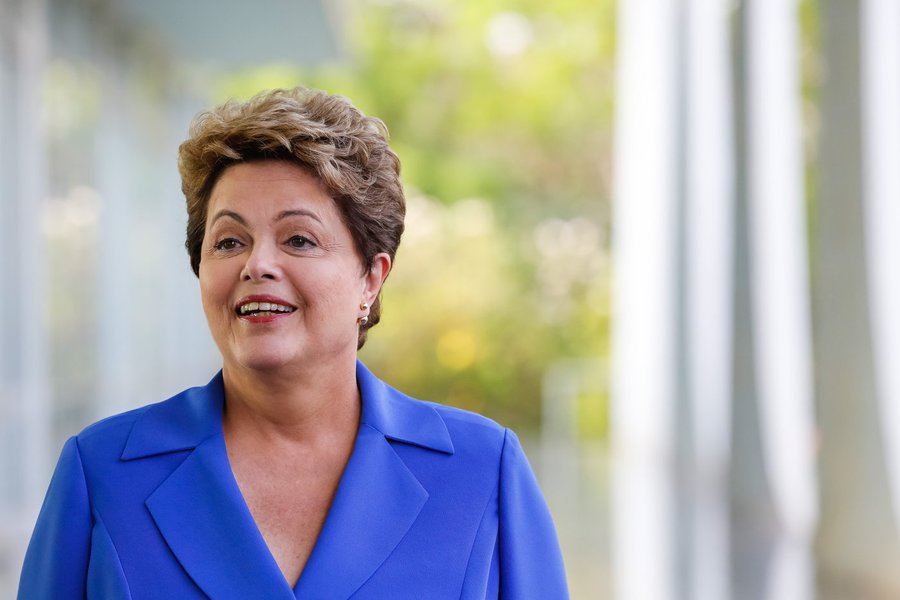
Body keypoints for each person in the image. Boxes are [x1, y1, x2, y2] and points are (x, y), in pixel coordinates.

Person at [18, 87, 568, 599]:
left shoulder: (482, 471)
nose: (257, 264)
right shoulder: (101, 472)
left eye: (299, 239)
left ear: (371, 278)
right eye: (229, 240)